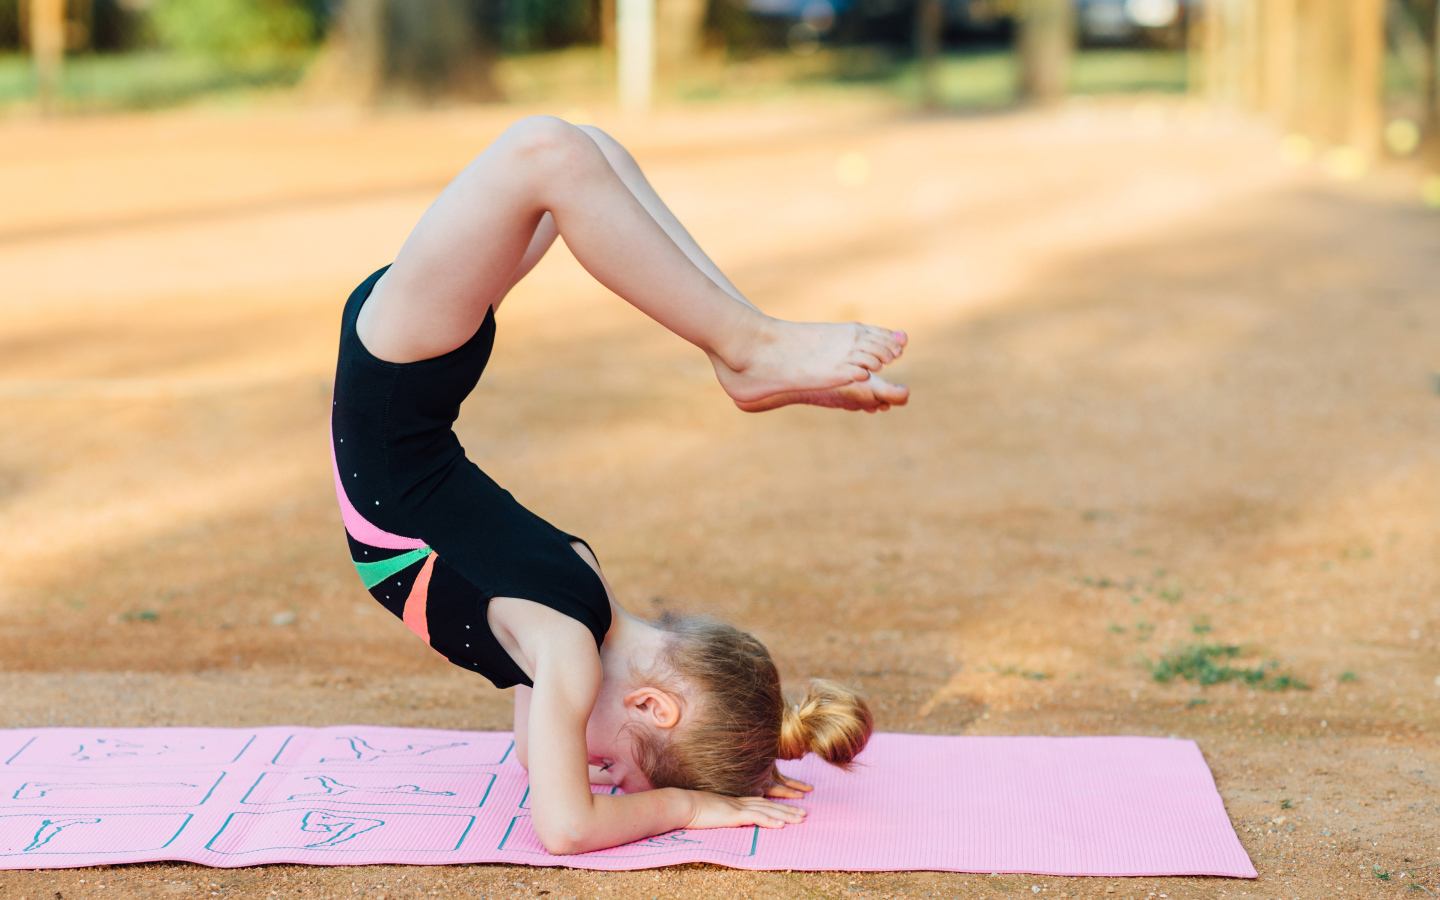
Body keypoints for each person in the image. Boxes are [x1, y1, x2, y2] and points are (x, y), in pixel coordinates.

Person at [331, 116, 907, 855]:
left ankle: (741, 349)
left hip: (411, 381)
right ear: (652, 706)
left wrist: (742, 753)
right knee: (562, 153)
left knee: (578, 155)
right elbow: (567, 826)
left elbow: (539, 759)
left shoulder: (582, 592)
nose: (593, 770)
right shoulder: (564, 649)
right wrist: (684, 805)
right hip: (399, 378)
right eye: (615, 769)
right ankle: (747, 346)